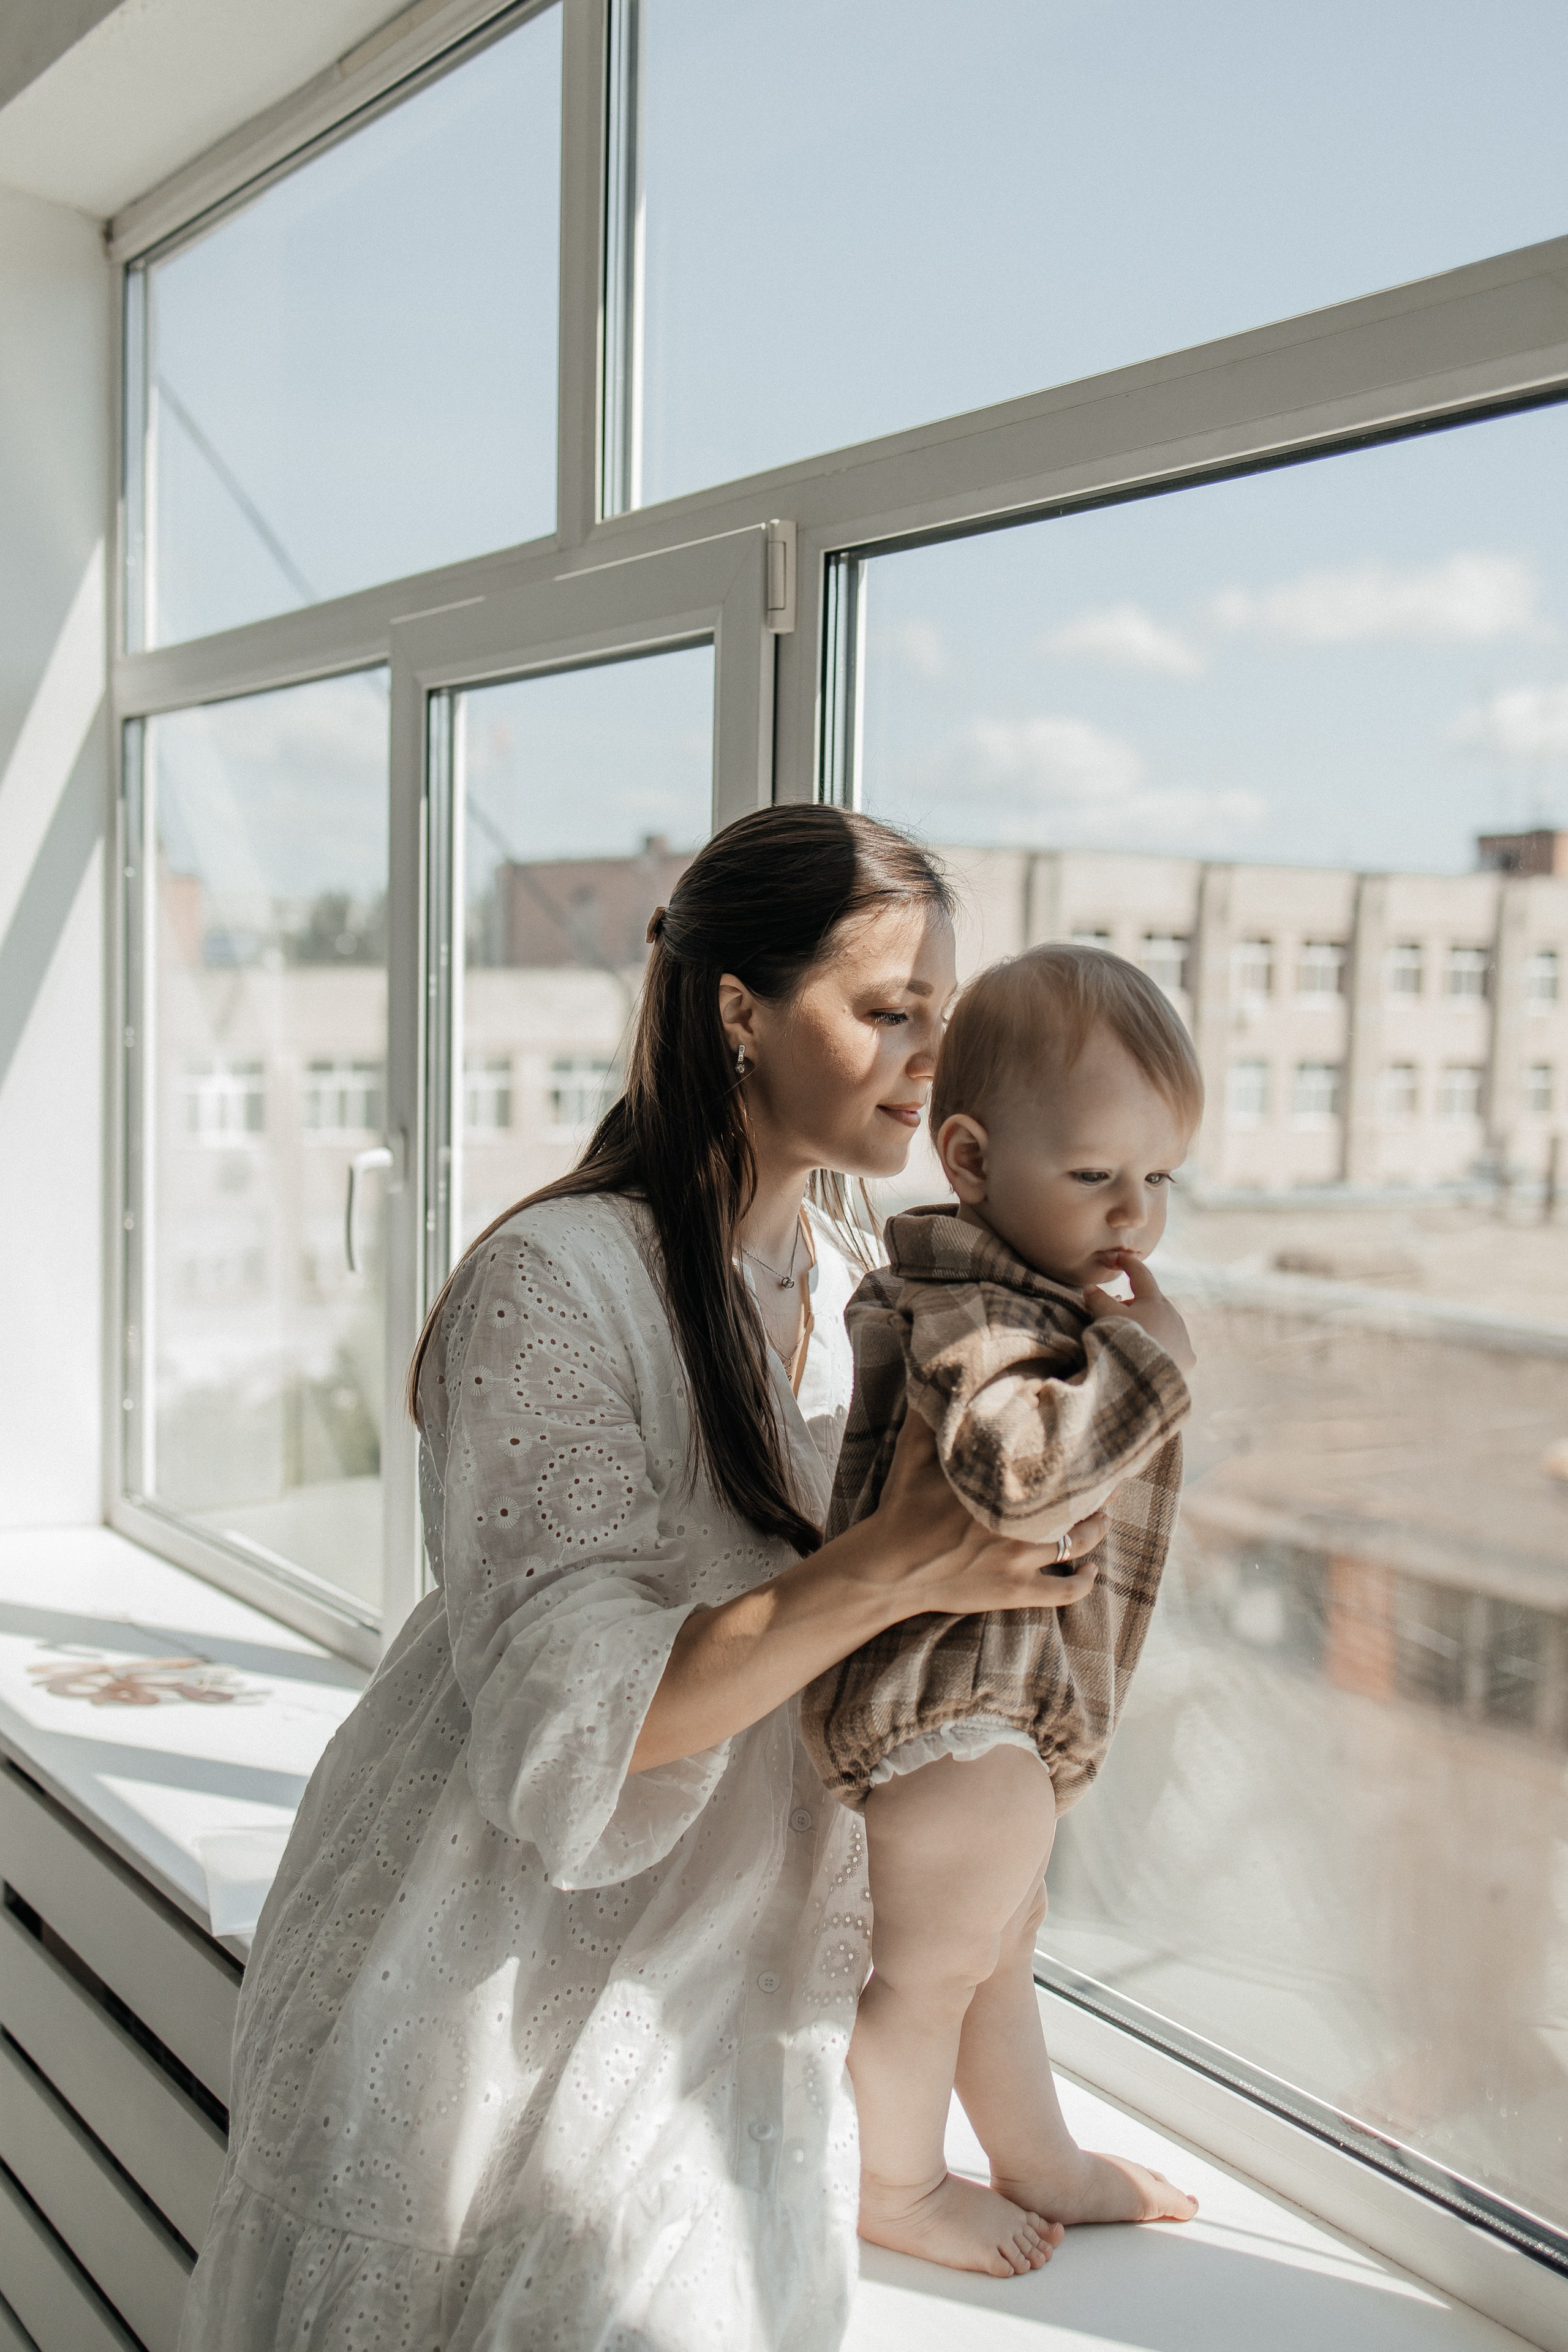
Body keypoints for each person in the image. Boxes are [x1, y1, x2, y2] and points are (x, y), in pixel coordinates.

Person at [179, 808, 1112, 2352]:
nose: (924, 1060)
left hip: (765, 1940)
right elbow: (568, 1728)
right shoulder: (552, 1282)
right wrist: (886, 1569)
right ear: (737, 1009)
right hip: (517, 1953)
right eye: (884, 1013)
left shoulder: (852, 1276)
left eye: (935, 1020)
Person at [801, 943, 1204, 2275]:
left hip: (993, 1717)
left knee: (994, 1952)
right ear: (967, 1158)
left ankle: (1038, 2160)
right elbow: (1015, 1477)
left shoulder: (1021, 1292)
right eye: (1093, 1175)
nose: (1130, 1215)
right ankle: (898, 2190)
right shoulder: (969, 1306)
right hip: (957, 1715)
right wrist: (1151, 1364)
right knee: (926, 1976)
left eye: (1155, 1179)